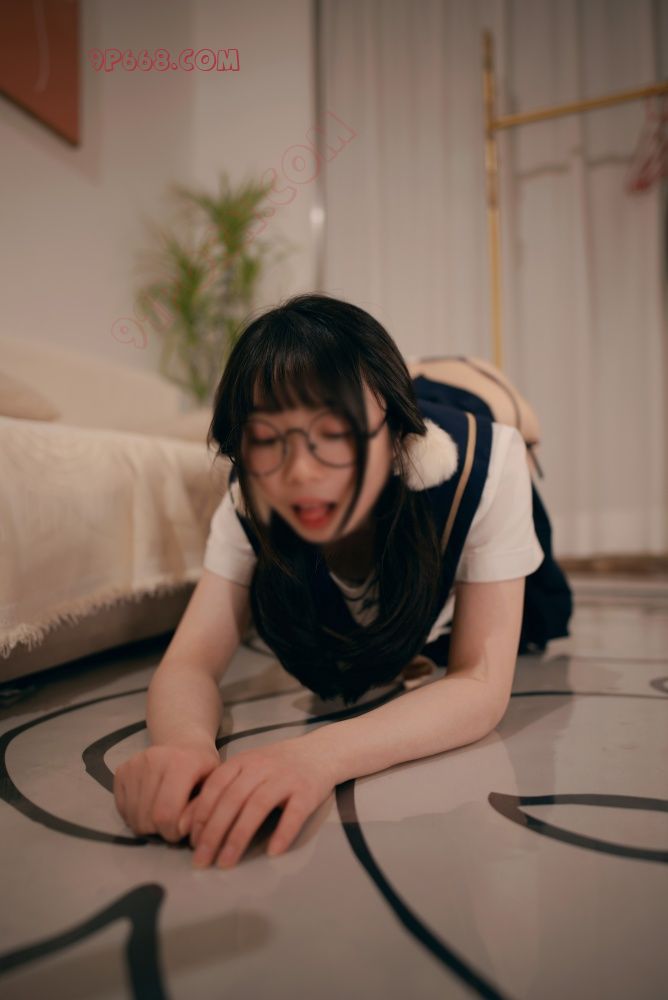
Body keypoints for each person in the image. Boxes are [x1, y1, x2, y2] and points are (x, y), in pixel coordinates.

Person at [113, 292, 545, 870]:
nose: (300, 472)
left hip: (455, 422)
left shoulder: (486, 461)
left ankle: (447, 374)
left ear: (393, 434)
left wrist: (316, 756)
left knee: (533, 606)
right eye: (267, 437)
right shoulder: (250, 495)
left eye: (336, 432)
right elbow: (190, 662)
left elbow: (481, 681)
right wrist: (182, 745)